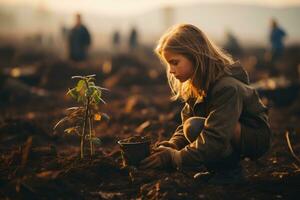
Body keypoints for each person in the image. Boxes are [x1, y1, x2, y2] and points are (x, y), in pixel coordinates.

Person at [140, 24, 271, 182]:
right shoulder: (198, 84)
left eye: (175, 62)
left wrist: (175, 158)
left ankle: (230, 172)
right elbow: (185, 125)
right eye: (168, 64)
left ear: (195, 56)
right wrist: (173, 145)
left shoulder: (227, 87)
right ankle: (218, 170)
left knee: (195, 126)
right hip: (225, 130)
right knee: (192, 125)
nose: (171, 71)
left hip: (253, 137)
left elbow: (215, 135)